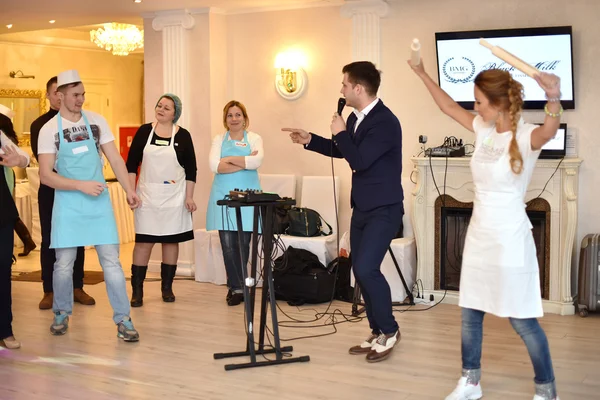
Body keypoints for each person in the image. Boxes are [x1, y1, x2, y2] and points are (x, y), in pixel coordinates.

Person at [408, 58, 562, 400]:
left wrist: (554, 95)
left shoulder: (525, 136)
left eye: (479, 101)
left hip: (510, 239)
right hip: (479, 235)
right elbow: (448, 106)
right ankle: (471, 382)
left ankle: (547, 390)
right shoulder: (483, 128)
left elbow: (550, 131)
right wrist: (421, 73)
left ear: (498, 104)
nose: (474, 108)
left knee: (522, 320)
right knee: (470, 312)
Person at [283, 61, 403, 363]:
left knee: (366, 268)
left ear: (358, 88)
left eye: (345, 85)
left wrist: (340, 131)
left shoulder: (385, 122)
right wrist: (311, 139)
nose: (341, 90)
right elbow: (343, 150)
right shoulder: (354, 118)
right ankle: (377, 331)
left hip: (384, 209)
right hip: (362, 207)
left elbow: (359, 160)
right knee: (359, 272)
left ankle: (390, 330)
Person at [38, 69, 141, 342]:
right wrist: (80, 185)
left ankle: (124, 320)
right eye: (75, 95)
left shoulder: (97, 121)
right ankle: (61, 312)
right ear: (60, 97)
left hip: (98, 203)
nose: (81, 99)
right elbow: (46, 175)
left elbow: (116, 160)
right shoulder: (49, 130)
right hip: (68, 204)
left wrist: (130, 189)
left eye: (83, 94)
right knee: (63, 264)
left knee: (112, 263)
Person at [126, 94, 197, 307]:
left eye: (167, 107)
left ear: (175, 113)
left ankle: (167, 287)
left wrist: (189, 197)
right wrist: (131, 191)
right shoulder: (144, 131)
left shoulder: (183, 135)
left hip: (174, 197)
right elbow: (131, 165)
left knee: (170, 240)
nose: (161, 109)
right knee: (143, 242)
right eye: (159, 105)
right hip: (146, 196)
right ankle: (137, 290)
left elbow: (191, 170)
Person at [31, 76, 92, 310]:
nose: (59, 96)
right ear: (49, 96)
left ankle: (78, 286)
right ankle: (49, 290)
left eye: (62, 92)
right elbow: (47, 161)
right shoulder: (41, 125)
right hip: (51, 189)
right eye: (55, 92)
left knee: (77, 237)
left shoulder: (79, 122)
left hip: (77, 187)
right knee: (50, 239)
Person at [206, 100, 263, 306]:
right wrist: (244, 160)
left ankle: (239, 286)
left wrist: (228, 160)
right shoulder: (219, 139)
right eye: (230, 115)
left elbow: (257, 162)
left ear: (244, 118)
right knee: (228, 245)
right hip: (223, 196)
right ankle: (238, 288)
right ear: (225, 119)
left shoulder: (255, 138)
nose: (234, 119)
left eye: (238, 114)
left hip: (248, 196)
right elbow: (214, 166)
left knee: (243, 244)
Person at [0, 114, 30, 350]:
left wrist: (19, 160)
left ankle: (5, 330)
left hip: (1, 213)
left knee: (2, 272)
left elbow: (23, 157)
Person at [0, 105, 36, 258]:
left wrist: (20, 159)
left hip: (5, 173)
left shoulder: (4, 136)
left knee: (8, 209)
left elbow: (23, 157)